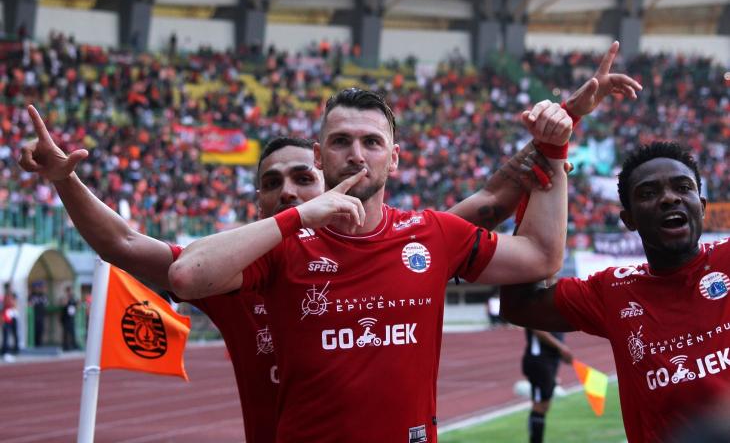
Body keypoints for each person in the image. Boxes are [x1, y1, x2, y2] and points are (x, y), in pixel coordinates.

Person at [19, 124, 553, 443]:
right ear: (258, 202)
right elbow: (126, 246)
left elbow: (486, 203)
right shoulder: (236, 274)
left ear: (333, 183)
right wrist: (65, 180)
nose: (289, 191)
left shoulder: (392, 246)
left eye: (303, 178)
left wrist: (556, 132)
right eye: (272, 183)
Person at [167, 88, 576, 442]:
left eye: (372, 143)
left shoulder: (432, 233)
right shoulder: (284, 243)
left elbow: (541, 256)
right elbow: (186, 275)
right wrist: (299, 217)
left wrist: (554, 151)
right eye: (340, 141)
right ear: (319, 156)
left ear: (393, 158)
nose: (356, 155)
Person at [500, 141, 730, 442]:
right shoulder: (612, 291)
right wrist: (537, 194)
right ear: (629, 220)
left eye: (682, 187)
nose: (669, 198)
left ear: (701, 206)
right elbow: (519, 305)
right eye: (648, 193)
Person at [522, 328, 572, 443]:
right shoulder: (536, 310)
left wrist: (560, 351)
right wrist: (561, 348)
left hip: (549, 361)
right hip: (539, 359)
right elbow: (537, 330)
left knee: (544, 405)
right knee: (539, 406)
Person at [29, 281, 49, 347]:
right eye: (36, 287)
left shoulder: (43, 295)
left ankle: (39, 343)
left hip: (41, 315)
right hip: (34, 316)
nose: (38, 289)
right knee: (34, 330)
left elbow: (46, 304)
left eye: (39, 287)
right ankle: (34, 343)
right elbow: (30, 304)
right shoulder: (32, 295)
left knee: (41, 329)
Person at [2, 283, 19, 357]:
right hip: (6, 317)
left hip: (13, 315)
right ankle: (5, 350)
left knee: (15, 333)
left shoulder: (14, 295)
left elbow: (15, 304)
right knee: (6, 334)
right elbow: (3, 307)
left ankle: (16, 349)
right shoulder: (3, 296)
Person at [60, 286, 79, 351]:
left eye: (70, 291)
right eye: (68, 291)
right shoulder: (65, 298)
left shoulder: (73, 298)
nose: (70, 292)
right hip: (66, 317)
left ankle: (73, 344)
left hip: (71, 317)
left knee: (72, 331)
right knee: (66, 332)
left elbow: (77, 305)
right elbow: (63, 304)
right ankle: (65, 346)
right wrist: (66, 299)